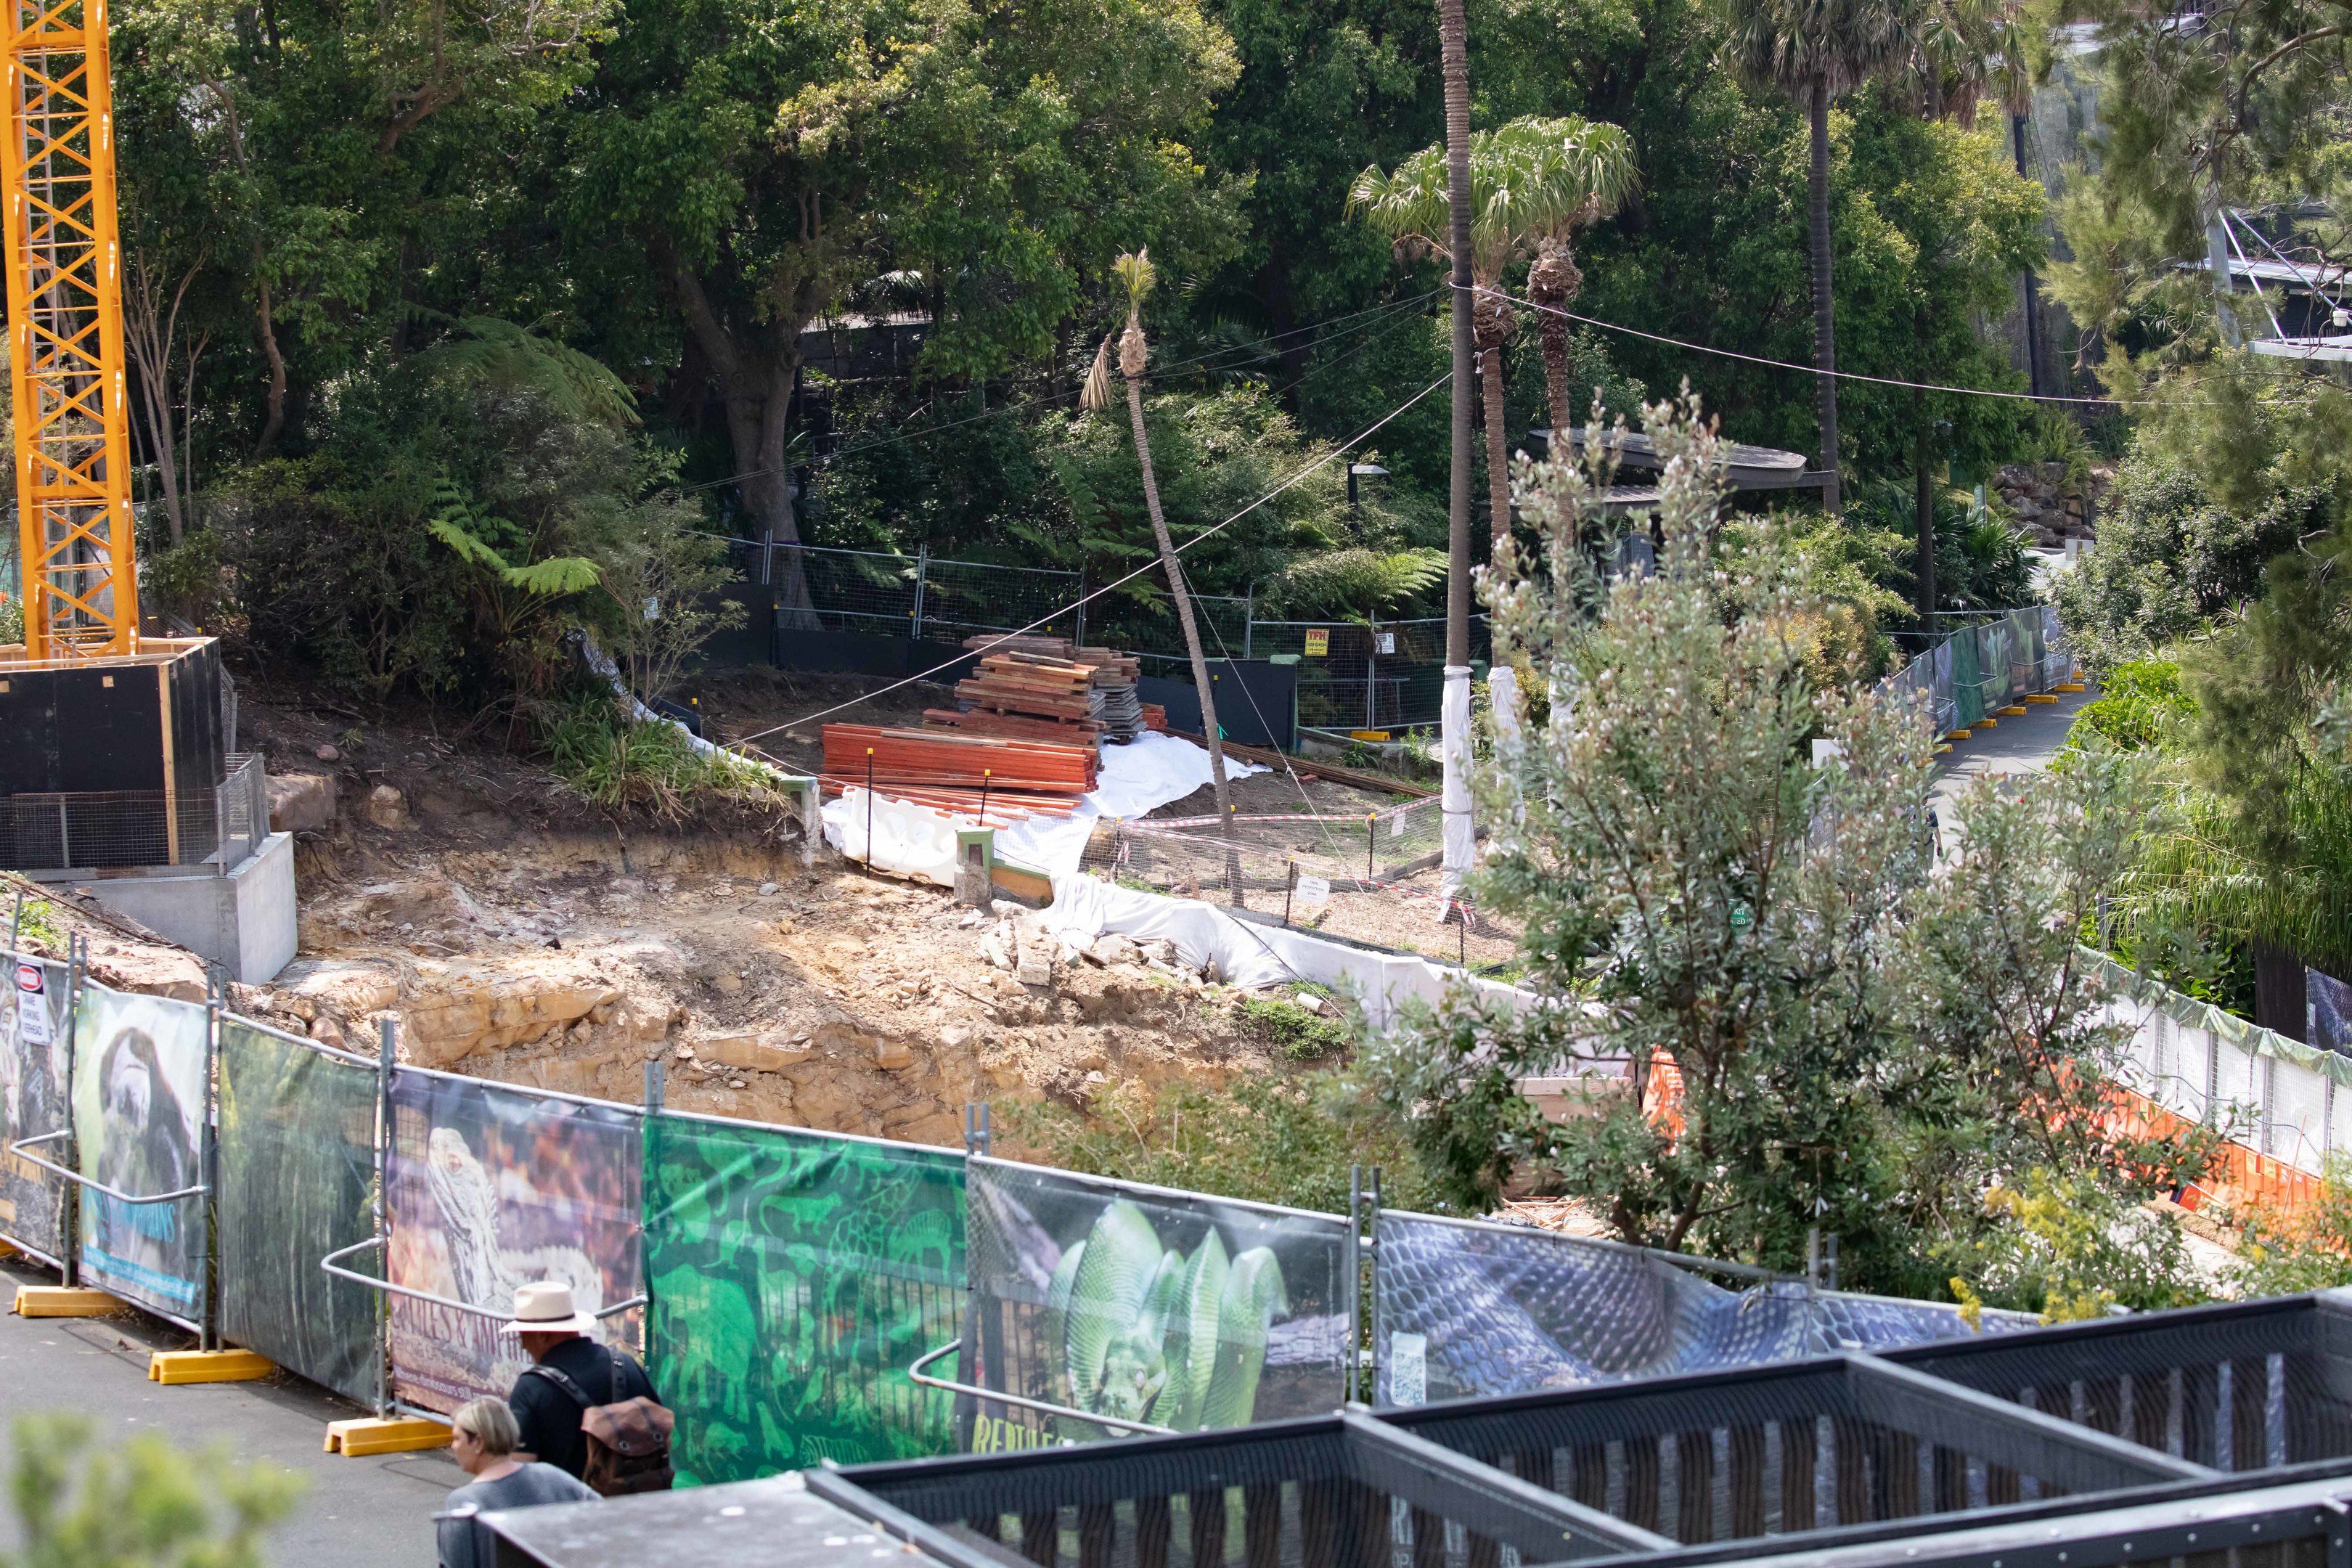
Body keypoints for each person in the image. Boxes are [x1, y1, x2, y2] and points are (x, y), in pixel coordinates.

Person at [502, 1279, 663, 1482]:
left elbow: (520, 1475)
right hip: (634, 1504)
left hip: (567, 1510)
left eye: (523, 1336)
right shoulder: (627, 1365)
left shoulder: (531, 1388)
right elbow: (662, 1427)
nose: (523, 1345)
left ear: (542, 1335)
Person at [436, 1397, 596, 1568]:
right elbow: (608, 1518)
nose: (453, 1446)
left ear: (478, 1442)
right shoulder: (552, 1476)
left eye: (457, 1438)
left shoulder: (464, 1503)